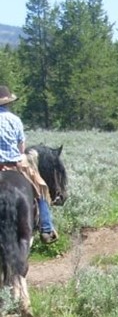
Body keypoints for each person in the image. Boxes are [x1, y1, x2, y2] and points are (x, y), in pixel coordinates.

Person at [0, 85, 58, 243]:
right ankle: (46, 229)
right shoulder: (14, 120)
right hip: (14, 164)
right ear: (8, 103)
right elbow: (21, 148)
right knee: (39, 189)